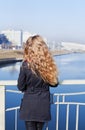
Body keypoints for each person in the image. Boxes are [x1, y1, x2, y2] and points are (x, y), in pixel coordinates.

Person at [17, 35, 59, 130]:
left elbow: (20, 86)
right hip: (43, 104)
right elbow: (55, 83)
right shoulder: (48, 65)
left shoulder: (25, 65)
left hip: (29, 104)